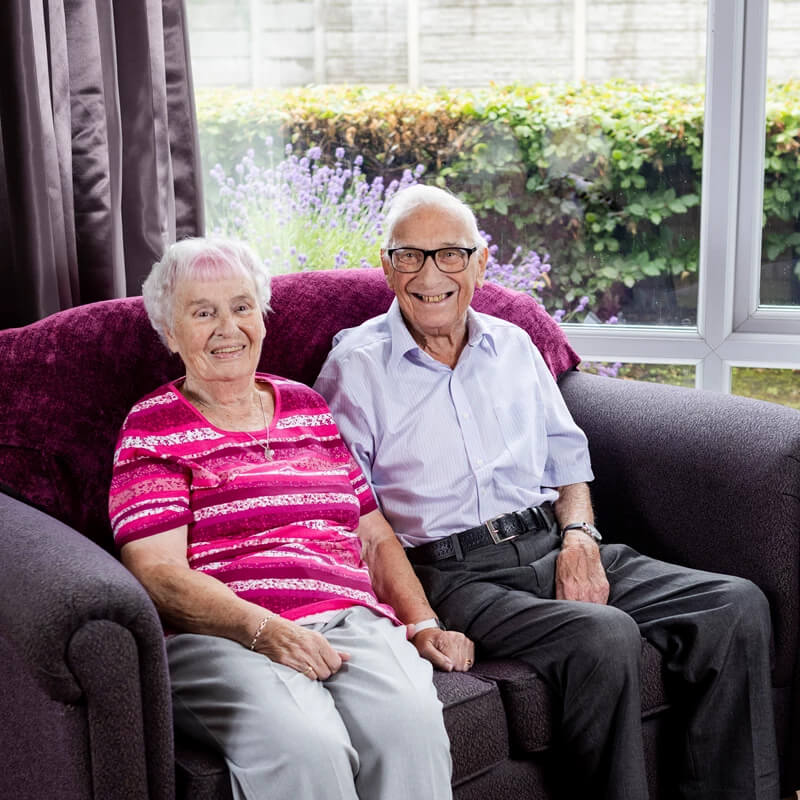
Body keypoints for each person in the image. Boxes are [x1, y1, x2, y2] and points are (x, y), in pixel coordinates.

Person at [314, 184, 780, 800]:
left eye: (450, 254)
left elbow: (567, 460)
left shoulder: (513, 345)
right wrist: (419, 619)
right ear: (387, 265)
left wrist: (580, 536)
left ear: (480, 263)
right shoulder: (356, 367)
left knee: (733, 604)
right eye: (410, 255)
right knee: (603, 635)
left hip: (547, 536)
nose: (431, 275)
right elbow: (356, 515)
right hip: (453, 573)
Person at [108, 236, 473, 800]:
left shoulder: (305, 405)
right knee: (308, 744)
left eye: (241, 306)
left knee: (412, 724)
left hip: (349, 619)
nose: (228, 328)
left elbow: (372, 534)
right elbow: (156, 572)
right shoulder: (153, 427)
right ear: (169, 331)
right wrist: (263, 629)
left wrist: (422, 624)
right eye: (203, 313)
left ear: (262, 316)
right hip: (222, 633)